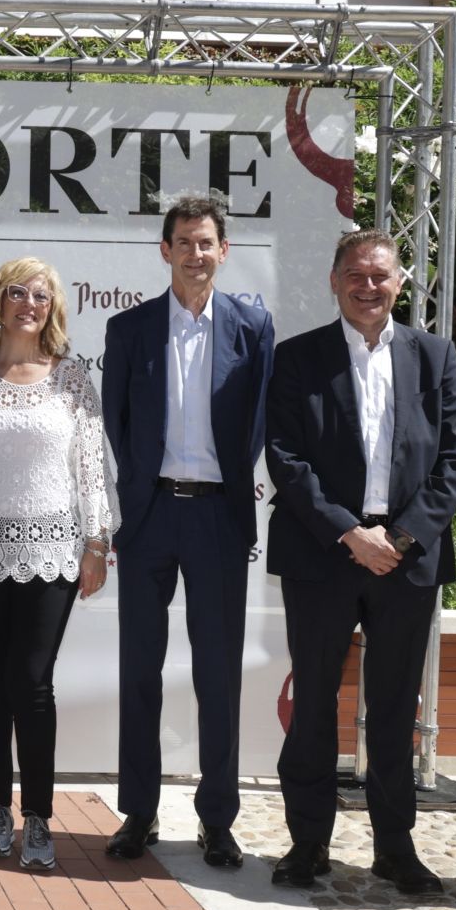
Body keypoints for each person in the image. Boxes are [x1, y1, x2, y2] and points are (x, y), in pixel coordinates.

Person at [264, 230, 456, 893]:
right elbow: (286, 458)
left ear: (401, 283)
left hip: (406, 563)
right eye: (355, 274)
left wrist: (402, 539)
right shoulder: (298, 359)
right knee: (315, 704)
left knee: (391, 710)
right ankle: (308, 844)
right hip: (325, 555)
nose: (368, 286)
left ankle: (394, 847)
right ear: (334, 280)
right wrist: (350, 534)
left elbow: (455, 459)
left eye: (381, 275)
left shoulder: (434, 357)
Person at [100, 193, 274, 869]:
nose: (197, 254)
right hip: (148, 517)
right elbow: (118, 425)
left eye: (208, 244)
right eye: (185, 242)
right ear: (165, 250)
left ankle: (218, 820)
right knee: (139, 670)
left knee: (217, 676)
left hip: (218, 517)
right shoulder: (130, 329)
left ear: (223, 252)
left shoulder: (252, 330)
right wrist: (138, 496)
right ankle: (138, 813)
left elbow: (257, 421)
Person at [0, 257, 116, 871]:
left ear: (53, 309)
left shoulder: (73, 379)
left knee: (32, 682)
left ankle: (39, 817)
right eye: (16, 292)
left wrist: (96, 543)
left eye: (40, 295)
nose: (28, 303)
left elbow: (91, 467)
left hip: (52, 552)